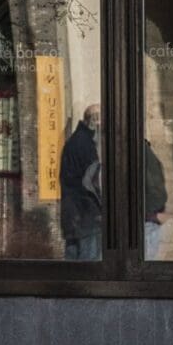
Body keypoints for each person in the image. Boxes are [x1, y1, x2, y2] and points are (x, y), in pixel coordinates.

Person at [58, 105, 103, 259]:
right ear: (95, 121)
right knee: (89, 264)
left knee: (72, 264)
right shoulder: (86, 145)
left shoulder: (73, 142)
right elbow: (93, 182)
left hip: (71, 215)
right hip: (87, 215)